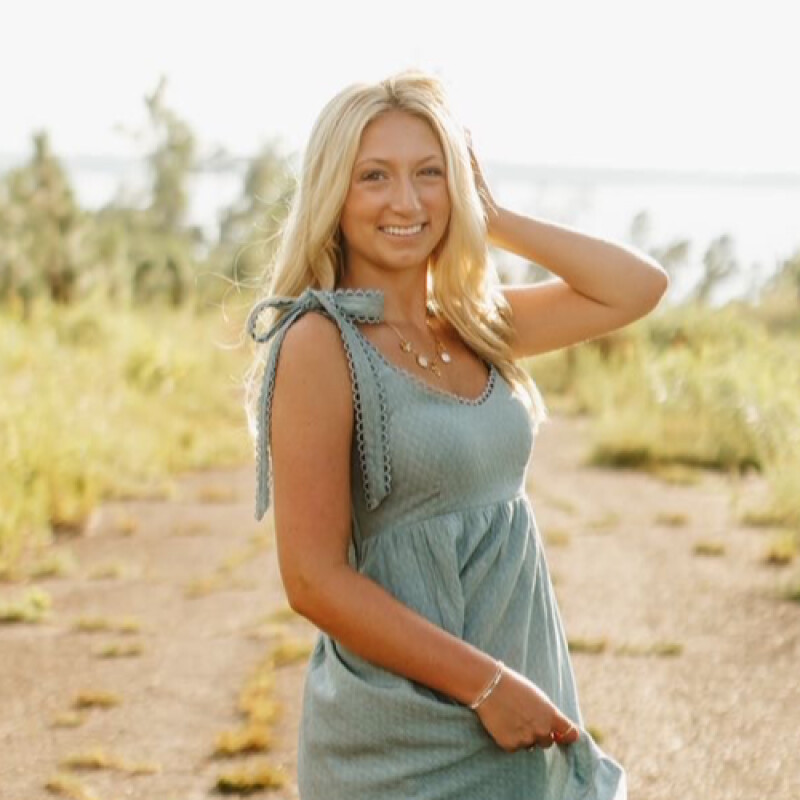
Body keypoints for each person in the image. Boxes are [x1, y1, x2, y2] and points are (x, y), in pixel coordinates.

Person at [244, 69, 668, 800]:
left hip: (519, 705)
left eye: (429, 173)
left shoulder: (474, 324)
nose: (406, 202)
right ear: (333, 193)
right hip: (407, 732)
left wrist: (489, 213)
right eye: (374, 176)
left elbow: (637, 287)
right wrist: (485, 686)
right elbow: (312, 579)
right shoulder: (320, 342)